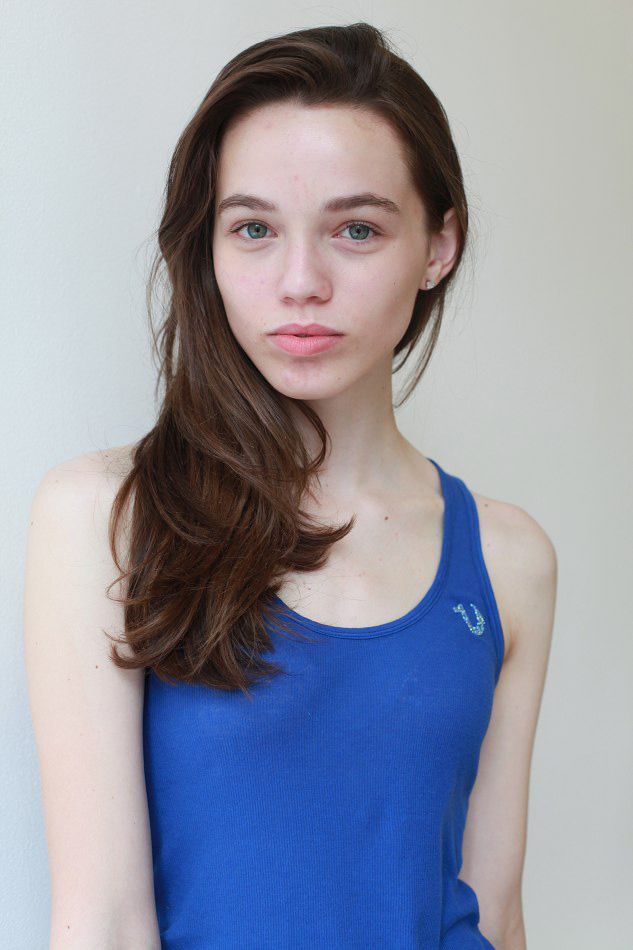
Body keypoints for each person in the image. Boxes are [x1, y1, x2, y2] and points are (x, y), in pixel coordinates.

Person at [23, 22, 557, 950]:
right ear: (208, 246)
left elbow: (496, 912)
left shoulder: (509, 558)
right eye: (254, 229)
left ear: (438, 245)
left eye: (356, 229)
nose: (300, 281)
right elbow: (102, 922)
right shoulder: (107, 518)